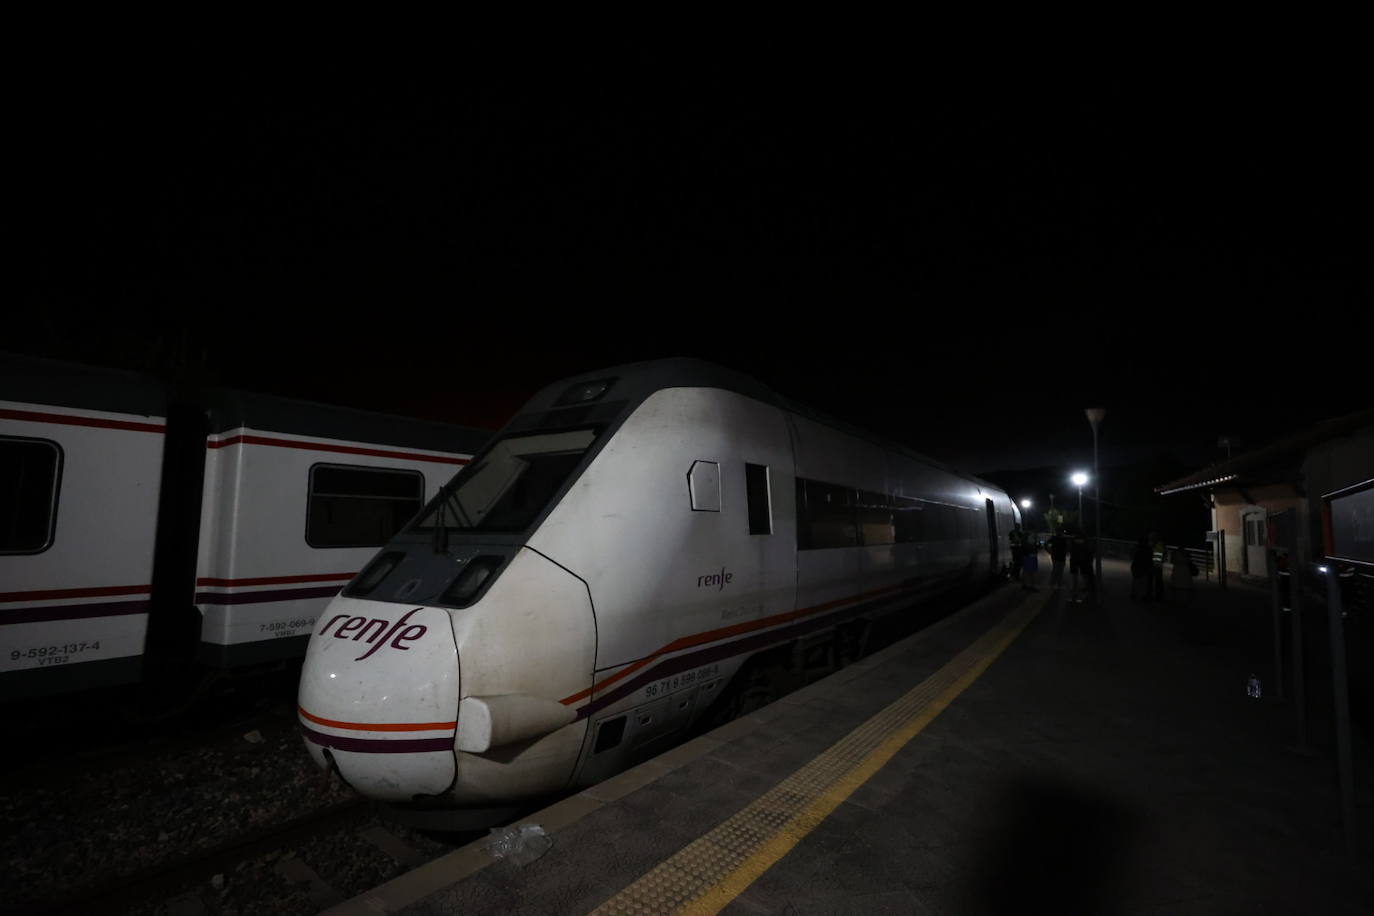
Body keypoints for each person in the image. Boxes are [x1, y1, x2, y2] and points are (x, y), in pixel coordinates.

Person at [1068, 527, 1093, 603]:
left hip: (1074, 560)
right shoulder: (1085, 539)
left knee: (1074, 577)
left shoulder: (1073, 539)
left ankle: (1074, 594)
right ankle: (1086, 593)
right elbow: (1089, 550)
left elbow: (1071, 549)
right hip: (1083, 560)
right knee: (1085, 576)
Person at [1131, 535, 1153, 601]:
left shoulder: (1138, 548)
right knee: (1143, 583)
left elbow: (1134, 557)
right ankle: (1142, 596)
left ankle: (1134, 595)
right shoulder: (1148, 549)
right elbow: (1150, 559)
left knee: (1136, 582)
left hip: (1137, 567)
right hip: (1144, 568)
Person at [1150, 532, 1167, 601]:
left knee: (1154, 581)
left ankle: (1156, 595)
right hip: (1158, 566)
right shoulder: (1161, 545)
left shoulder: (1155, 545)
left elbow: (1154, 555)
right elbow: (1164, 556)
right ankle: (1159, 596)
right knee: (1158, 581)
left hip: (1155, 565)